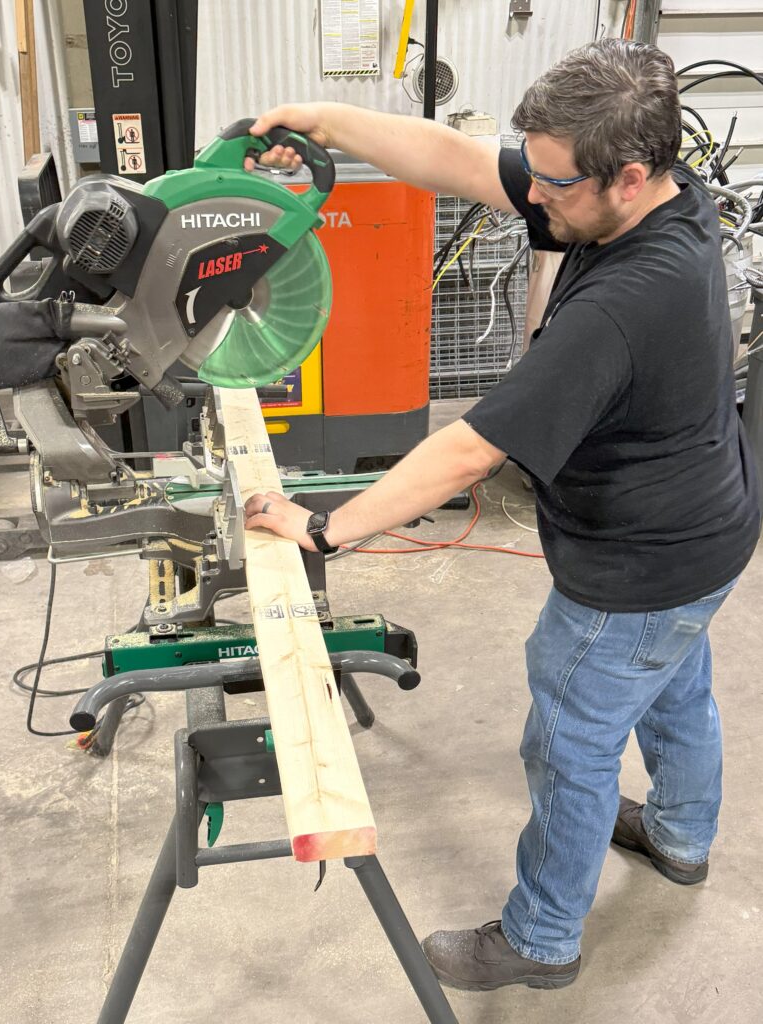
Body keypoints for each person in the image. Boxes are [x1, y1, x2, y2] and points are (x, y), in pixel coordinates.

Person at [242, 38, 761, 992]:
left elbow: (468, 450)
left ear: (629, 173)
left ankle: (541, 939)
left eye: (555, 185)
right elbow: (463, 161)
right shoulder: (649, 198)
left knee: (567, 740)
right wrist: (326, 120)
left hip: (634, 564)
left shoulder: (625, 301)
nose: (534, 199)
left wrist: (320, 529)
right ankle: (683, 839)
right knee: (676, 687)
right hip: (708, 531)